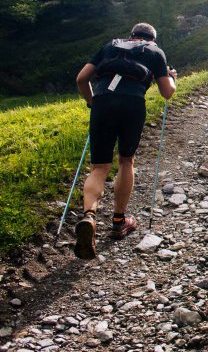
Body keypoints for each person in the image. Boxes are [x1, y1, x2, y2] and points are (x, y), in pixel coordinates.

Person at [73, 23, 177, 259]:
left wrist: (92, 102)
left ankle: (89, 216)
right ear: (153, 39)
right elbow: (167, 92)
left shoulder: (110, 46)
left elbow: (81, 79)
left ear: (132, 35)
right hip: (132, 105)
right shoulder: (154, 52)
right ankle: (119, 222)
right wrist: (172, 78)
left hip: (102, 102)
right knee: (126, 161)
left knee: (99, 167)